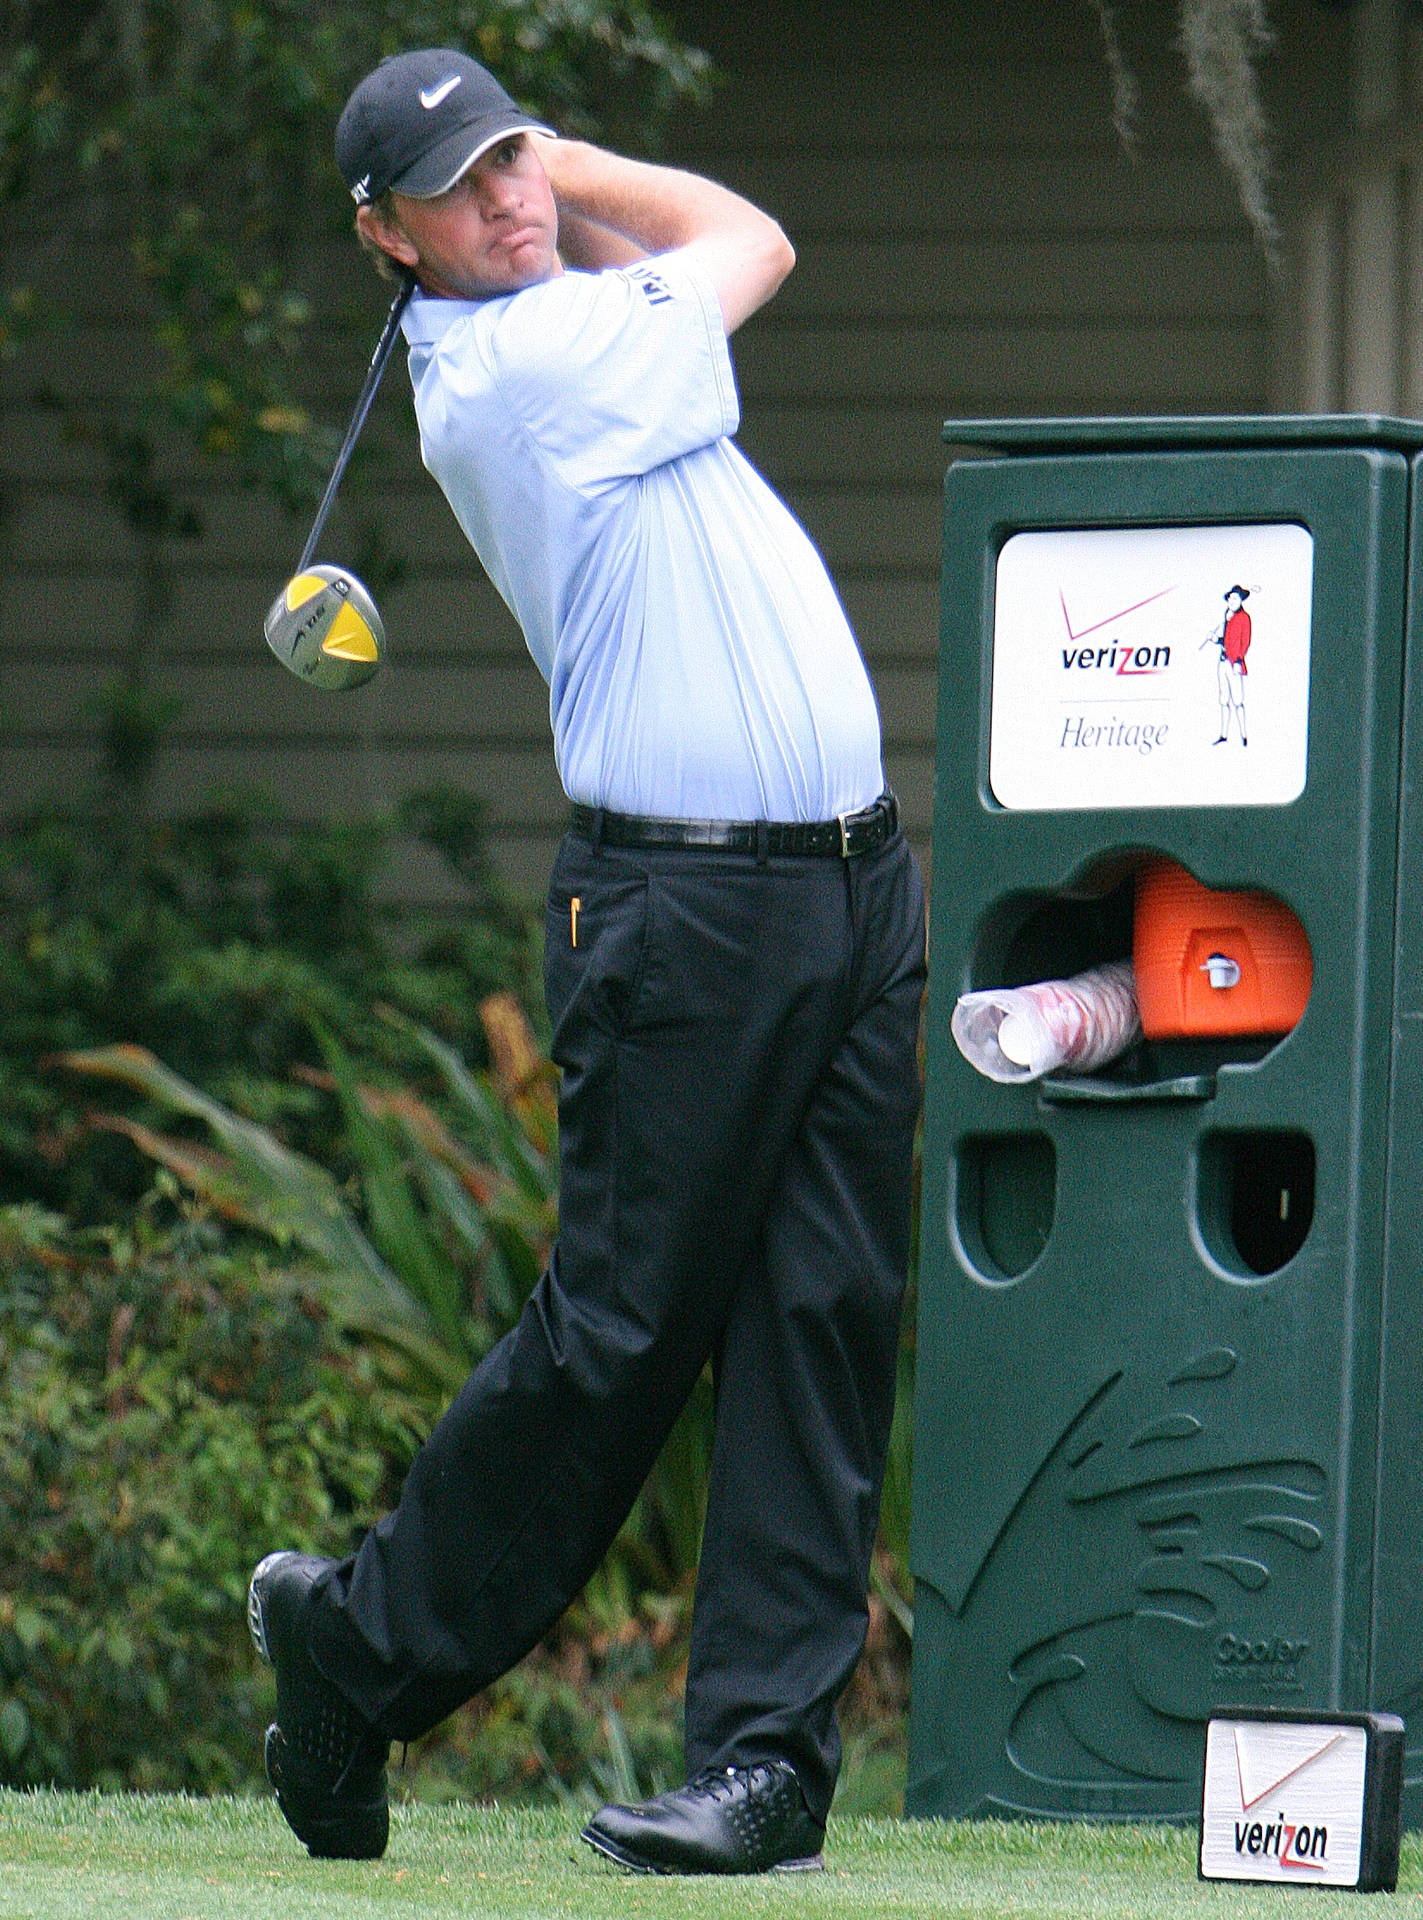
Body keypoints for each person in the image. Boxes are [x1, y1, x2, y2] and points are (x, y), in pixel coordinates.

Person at [247, 46, 926, 1878]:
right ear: (387, 236)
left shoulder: (565, 316)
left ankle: (762, 1770)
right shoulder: (517, 373)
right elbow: (752, 236)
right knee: (624, 1336)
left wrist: (540, 168)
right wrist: (581, 153)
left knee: (821, 1318)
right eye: (465, 185)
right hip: (683, 913)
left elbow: (681, 253)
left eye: (514, 160)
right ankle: (358, 1646)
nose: (512, 198)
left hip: (855, 887)